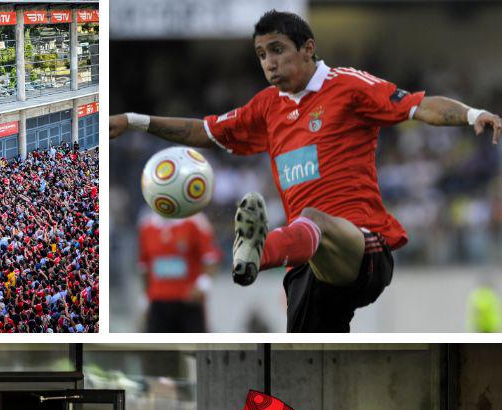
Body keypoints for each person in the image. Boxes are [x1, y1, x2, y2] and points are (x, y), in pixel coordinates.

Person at [111, 9, 502, 332]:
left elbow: (418, 105)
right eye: (261, 54)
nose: (269, 62)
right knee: (309, 350)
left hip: (362, 247)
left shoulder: (347, 86)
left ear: (308, 48)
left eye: (277, 50)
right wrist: (133, 120)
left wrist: (472, 114)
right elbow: (204, 131)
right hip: (306, 266)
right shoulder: (266, 107)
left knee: (315, 218)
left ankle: (259, 250)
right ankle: (267, 253)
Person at [138, 210, 220, 332]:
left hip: (188, 302)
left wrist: (203, 285)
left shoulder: (195, 221)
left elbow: (210, 259)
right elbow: (144, 266)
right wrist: (145, 299)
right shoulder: (146, 225)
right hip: (158, 303)